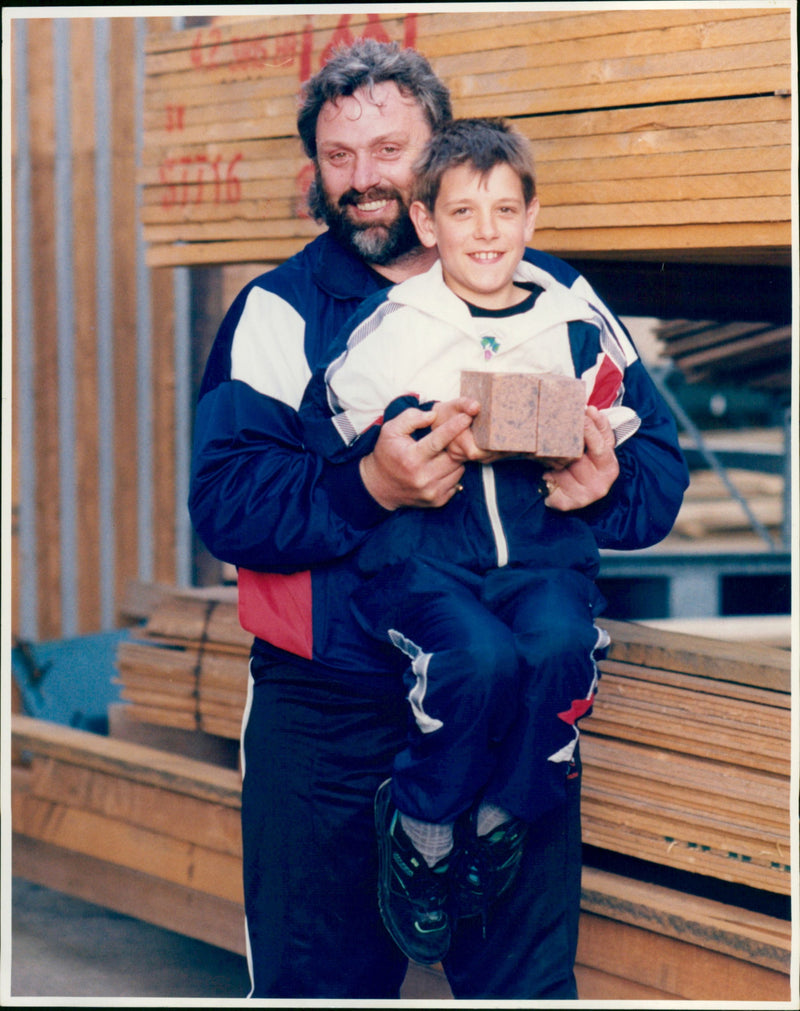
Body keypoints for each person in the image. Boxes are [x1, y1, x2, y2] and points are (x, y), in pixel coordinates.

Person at [189, 39, 689, 999]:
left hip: (504, 704)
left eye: (390, 149)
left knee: (524, 992)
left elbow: (655, 475)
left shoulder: (556, 300)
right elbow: (225, 504)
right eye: (339, 156)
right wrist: (365, 486)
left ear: (439, 156)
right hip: (328, 714)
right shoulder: (281, 313)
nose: (364, 179)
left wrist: (603, 483)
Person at [298, 116, 662, 964]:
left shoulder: (574, 321)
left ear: (533, 218)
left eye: (505, 211)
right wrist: (411, 430)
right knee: (478, 660)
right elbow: (336, 422)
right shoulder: (397, 323)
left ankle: (498, 822)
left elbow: (624, 423)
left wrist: (598, 454)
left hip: (542, 562)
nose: (487, 231)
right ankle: (423, 829)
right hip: (425, 566)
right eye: (463, 213)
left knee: (562, 647)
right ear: (428, 224)